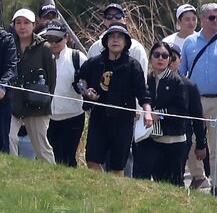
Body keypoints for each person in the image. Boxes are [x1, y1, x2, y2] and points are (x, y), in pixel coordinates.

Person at [181, 3, 217, 194]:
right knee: (190, 141)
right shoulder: (190, 42)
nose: (216, 21)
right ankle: (199, 176)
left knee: (216, 145)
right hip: (195, 100)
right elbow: (182, 72)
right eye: (212, 17)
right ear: (203, 18)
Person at [78, 25, 153, 173]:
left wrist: (148, 113)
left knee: (117, 166)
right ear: (106, 41)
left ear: (126, 42)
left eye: (120, 37)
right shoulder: (94, 62)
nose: (115, 40)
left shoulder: (132, 65)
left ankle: (114, 192)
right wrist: (85, 91)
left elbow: (143, 93)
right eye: (112, 37)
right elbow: (79, 80)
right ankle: (101, 188)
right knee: (92, 160)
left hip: (123, 120)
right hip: (99, 117)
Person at [133, 42, 205, 186]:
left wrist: (158, 115)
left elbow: (181, 110)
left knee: (173, 184)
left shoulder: (178, 82)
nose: (160, 58)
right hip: (149, 138)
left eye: (165, 56)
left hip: (173, 141)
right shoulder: (146, 80)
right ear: (150, 57)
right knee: (142, 179)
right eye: (156, 55)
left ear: (169, 60)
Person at [8, 9, 55, 162]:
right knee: (9, 138)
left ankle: (52, 177)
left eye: (26, 23)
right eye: (18, 23)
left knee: (41, 147)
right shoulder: (9, 45)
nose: (22, 27)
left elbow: (51, 80)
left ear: (34, 25)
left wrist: (46, 102)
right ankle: (11, 173)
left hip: (37, 104)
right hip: (12, 102)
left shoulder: (45, 48)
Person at [41, 23, 86, 167]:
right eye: (50, 39)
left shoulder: (77, 57)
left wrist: (83, 87)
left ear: (66, 38)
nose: (53, 43)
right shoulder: (41, 56)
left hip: (72, 116)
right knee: (49, 157)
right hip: (47, 117)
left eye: (57, 39)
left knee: (67, 158)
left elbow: (87, 82)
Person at [87, 4, 149, 78]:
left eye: (118, 16)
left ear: (125, 20)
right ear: (104, 21)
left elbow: (142, 81)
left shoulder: (136, 48)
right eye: (109, 16)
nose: (113, 19)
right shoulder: (94, 48)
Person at [0, 16, 16, 155]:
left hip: (1, 99)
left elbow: (11, 67)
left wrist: (2, 85)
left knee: (2, 141)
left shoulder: (6, 39)